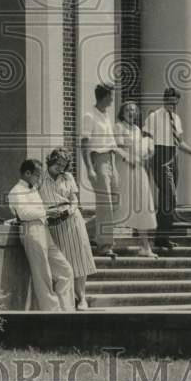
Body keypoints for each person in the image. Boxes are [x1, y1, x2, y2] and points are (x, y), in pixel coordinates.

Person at [8, 159, 75, 311]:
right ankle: (52, 312)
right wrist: (47, 211)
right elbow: (24, 214)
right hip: (31, 230)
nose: (39, 179)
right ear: (27, 173)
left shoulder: (33, 190)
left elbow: (38, 211)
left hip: (43, 230)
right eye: (37, 175)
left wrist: (55, 213)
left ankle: (67, 310)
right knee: (42, 274)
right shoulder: (16, 191)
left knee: (65, 271)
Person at [40, 148, 98, 310]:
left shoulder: (68, 177)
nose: (61, 168)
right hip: (52, 222)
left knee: (79, 258)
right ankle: (66, 298)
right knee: (62, 261)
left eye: (64, 165)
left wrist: (71, 210)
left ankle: (82, 298)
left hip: (72, 220)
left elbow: (74, 200)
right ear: (50, 161)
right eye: (58, 164)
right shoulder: (40, 179)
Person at [80, 83, 121, 258]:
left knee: (116, 204)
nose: (113, 100)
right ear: (105, 96)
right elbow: (84, 143)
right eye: (111, 96)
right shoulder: (89, 116)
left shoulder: (106, 116)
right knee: (106, 205)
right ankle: (105, 245)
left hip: (111, 161)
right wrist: (90, 168)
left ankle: (83, 231)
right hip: (99, 161)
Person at [114, 101, 159, 258]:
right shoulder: (119, 127)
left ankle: (146, 247)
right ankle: (102, 241)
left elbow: (140, 150)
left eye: (134, 110)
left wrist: (148, 153)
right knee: (121, 205)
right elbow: (117, 148)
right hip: (125, 169)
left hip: (138, 170)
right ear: (122, 112)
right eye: (127, 110)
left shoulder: (137, 130)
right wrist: (129, 158)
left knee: (142, 204)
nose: (131, 112)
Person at [142, 86, 184, 251]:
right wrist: (149, 155)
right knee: (170, 194)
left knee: (167, 199)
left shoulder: (176, 118)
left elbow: (180, 141)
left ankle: (162, 237)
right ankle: (161, 236)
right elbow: (146, 137)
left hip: (174, 156)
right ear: (164, 100)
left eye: (175, 104)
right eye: (169, 102)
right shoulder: (154, 117)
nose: (172, 106)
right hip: (159, 154)